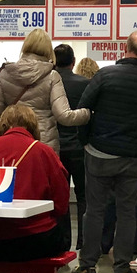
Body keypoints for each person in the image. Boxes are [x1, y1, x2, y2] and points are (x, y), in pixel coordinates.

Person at [71, 30, 137, 273]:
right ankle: (121, 268)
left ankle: (87, 266)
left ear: (125, 47)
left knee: (94, 211)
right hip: (132, 156)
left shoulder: (104, 75)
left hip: (99, 152)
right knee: (127, 212)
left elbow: (84, 110)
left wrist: (86, 141)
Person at [0, 104, 69, 273]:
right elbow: (61, 205)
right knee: (59, 230)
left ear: (2, 126)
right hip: (34, 241)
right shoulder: (44, 152)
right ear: (33, 127)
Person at [0, 29, 89, 154]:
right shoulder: (51, 76)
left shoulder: (6, 73)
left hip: (11, 141)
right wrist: (87, 113)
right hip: (43, 143)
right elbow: (64, 116)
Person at [53, 43, 89, 250]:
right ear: (73, 62)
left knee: (60, 197)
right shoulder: (85, 84)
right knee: (84, 196)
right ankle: (83, 243)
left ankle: (62, 243)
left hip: (56, 147)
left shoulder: (48, 83)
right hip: (79, 147)